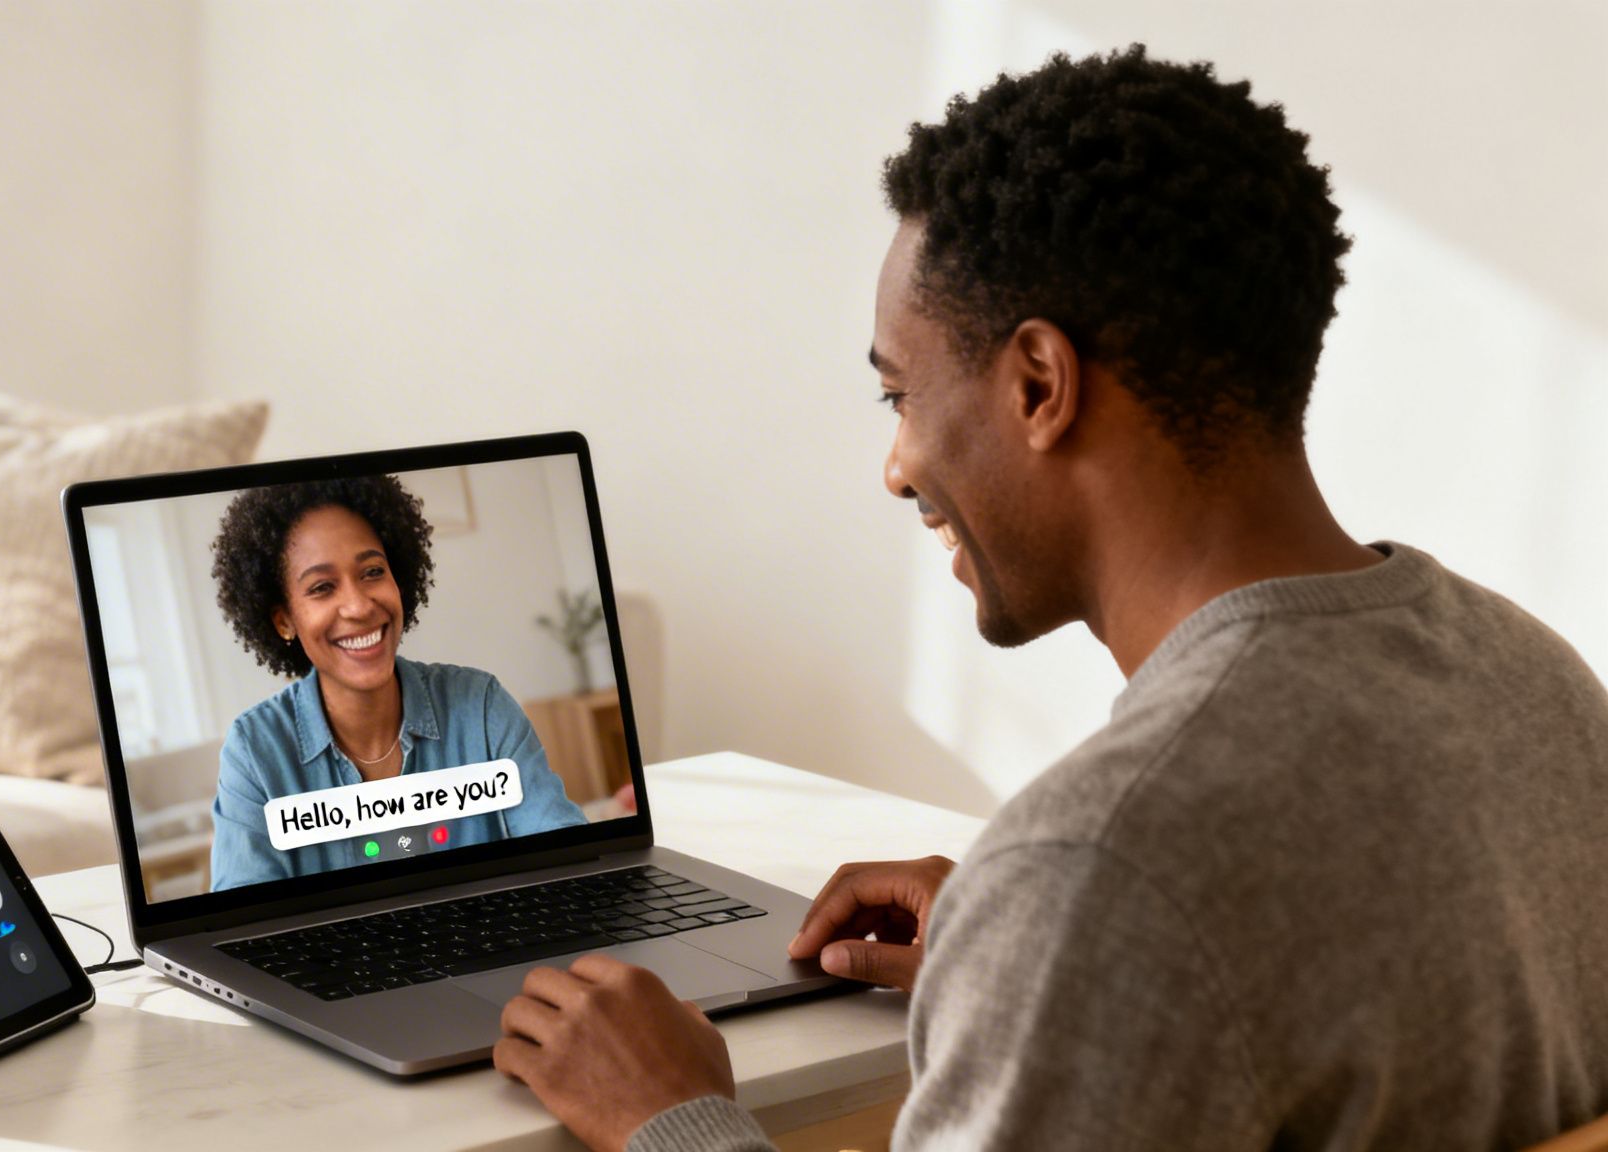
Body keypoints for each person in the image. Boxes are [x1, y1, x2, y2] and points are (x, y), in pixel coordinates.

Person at [493, 45, 1608, 1150]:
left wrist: (671, 1117)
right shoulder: (1538, 684)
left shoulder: (1097, 869)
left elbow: (1142, 884)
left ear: (1037, 384)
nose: (895, 465)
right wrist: (1022, 966)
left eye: (898, 394)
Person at [208, 475, 587, 890]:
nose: (358, 605)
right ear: (284, 620)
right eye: (322, 587)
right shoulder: (256, 751)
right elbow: (244, 928)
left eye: (372, 571)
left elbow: (568, 866)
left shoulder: (480, 706)